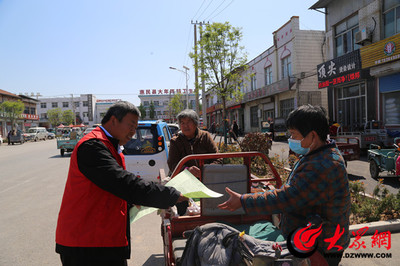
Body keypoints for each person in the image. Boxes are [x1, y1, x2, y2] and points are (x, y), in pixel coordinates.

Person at [55, 101, 187, 266]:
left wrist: (131, 202)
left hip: (103, 239)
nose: (133, 132)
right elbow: (124, 183)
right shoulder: (93, 146)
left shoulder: (110, 146)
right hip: (85, 243)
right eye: (131, 126)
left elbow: (112, 188)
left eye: (135, 127)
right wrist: (170, 195)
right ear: (113, 121)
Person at [218, 105, 350, 266]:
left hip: (320, 247)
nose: (290, 139)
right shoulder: (316, 154)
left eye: (294, 135)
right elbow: (296, 191)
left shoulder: (322, 164)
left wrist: (244, 201)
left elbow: (287, 198)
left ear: (313, 135)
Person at [168, 109, 221, 215]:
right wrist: (187, 170)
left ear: (196, 123)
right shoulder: (175, 141)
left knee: (210, 211)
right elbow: (172, 164)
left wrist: (204, 170)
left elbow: (218, 159)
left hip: (205, 180)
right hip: (183, 182)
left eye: (188, 122)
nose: (185, 126)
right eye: (182, 123)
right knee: (183, 211)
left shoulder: (205, 137)